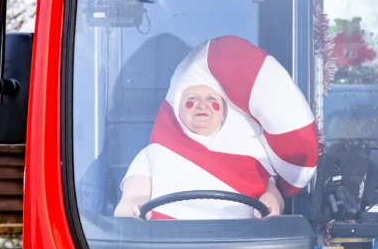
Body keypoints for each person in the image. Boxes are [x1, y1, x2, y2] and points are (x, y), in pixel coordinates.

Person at [114, 35, 319, 220]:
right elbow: (135, 196)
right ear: (177, 107)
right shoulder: (154, 154)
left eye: (211, 99)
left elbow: (273, 197)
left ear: (223, 111)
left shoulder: (255, 154)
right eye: (191, 99)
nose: (202, 105)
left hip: (240, 247)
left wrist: (272, 203)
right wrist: (129, 207)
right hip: (167, 248)